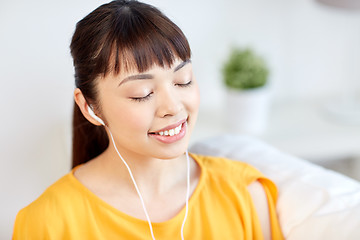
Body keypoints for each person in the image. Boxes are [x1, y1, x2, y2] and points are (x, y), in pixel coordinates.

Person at [13, 1, 284, 239]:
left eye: (183, 81)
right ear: (89, 106)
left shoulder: (245, 194)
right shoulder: (47, 223)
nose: (172, 106)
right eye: (142, 94)